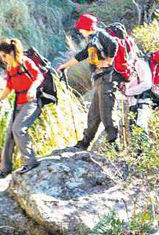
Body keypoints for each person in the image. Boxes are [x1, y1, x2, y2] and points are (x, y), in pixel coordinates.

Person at [56, 13, 120, 150]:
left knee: (106, 113)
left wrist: (108, 61)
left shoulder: (100, 35)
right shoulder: (92, 40)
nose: (79, 30)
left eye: (81, 28)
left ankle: (114, 145)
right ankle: (85, 143)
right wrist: (65, 66)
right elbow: (82, 55)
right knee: (93, 114)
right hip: (98, 79)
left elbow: (114, 44)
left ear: (87, 27)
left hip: (106, 78)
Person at [0, 38, 44, 178]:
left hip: (32, 103)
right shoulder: (9, 68)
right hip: (18, 104)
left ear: (12, 53)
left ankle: (31, 161)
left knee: (18, 129)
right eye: (1, 56)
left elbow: (39, 77)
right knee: (10, 134)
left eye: (4, 55)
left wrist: (32, 89)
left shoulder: (25, 62)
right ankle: (5, 169)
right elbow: (9, 87)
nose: (2, 59)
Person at [121, 54, 153, 140]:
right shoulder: (130, 67)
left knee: (140, 128)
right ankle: (139, 152)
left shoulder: (139, 63)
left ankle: (145, 153)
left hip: (141, 101)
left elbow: (147, 84)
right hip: (134, 103)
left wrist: (128, 92)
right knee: (135, 131)